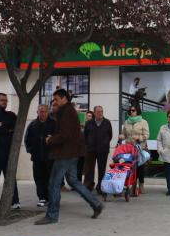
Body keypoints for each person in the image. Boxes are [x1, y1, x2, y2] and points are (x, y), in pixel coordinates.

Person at [35, 89, 103, 225]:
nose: (54, 102)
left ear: (64, 98)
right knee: (73, 181)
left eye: (56, 99)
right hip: (72, 153)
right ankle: (96, 204)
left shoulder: (66, 112)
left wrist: (50, 139)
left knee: (54, 183)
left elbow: (65, 135)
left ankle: (52, 215)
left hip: (65, 153)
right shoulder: (68, 111)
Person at [24, 104, 56, 207]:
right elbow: (27, 139)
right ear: (37, 112)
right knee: (38, 178)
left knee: (50, 178)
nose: (42, 113)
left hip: (50, 157)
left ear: (48, 112)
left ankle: (51, 198)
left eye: (44, 111)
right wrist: (31, 150)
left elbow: (59, 139)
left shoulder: (54, 124)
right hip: (37, 157)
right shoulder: (33, 124)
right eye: (40, 111)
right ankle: (42, 197)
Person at [120, 105, 150, 194]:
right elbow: (124, 134)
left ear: (137, 111)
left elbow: (147, 135)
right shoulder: (126, 122)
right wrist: (122, 136)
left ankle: (141, 185)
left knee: (140, 168)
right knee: (131, 167)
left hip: (140, 148)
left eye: (133, 110)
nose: (132, 112)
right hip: (129, 149)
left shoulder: (143, 122)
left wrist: (139, 137)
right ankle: (133, 185)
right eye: (130, 110)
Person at [83, 106, 112, 194]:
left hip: (103, 150)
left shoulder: (107, 122)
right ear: (94, 113)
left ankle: (100, 187)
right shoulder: (89, 123)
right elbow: (85, 136)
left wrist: (105, 143)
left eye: (102, 111)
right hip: (91, 149)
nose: (100, 113)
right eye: (98, 112)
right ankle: (88, 186)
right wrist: (88, 144)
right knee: (89, 169)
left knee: (102, 169)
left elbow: (110, 135)